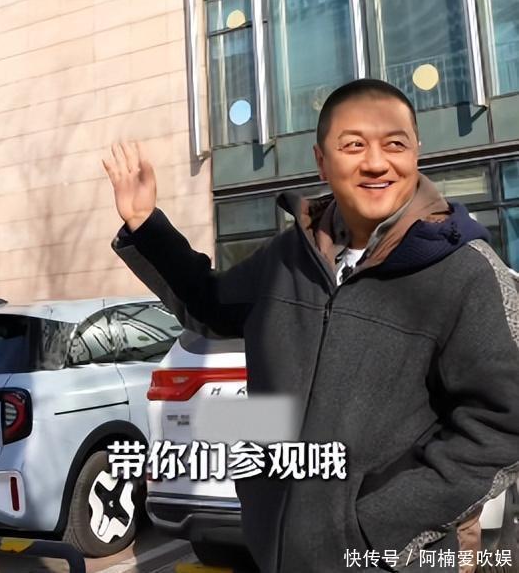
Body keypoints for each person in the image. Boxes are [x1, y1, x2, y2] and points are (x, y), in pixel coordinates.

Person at [103, 79, 519, 573]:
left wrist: (378, 523)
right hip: (279, 550)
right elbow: (211, 306)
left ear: (416, 153)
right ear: (321, 161)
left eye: (395, 144)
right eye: (353, 145)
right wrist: (146, 224)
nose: (376, 163)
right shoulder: (288, 257)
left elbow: (503, 424)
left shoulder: (464, 271)